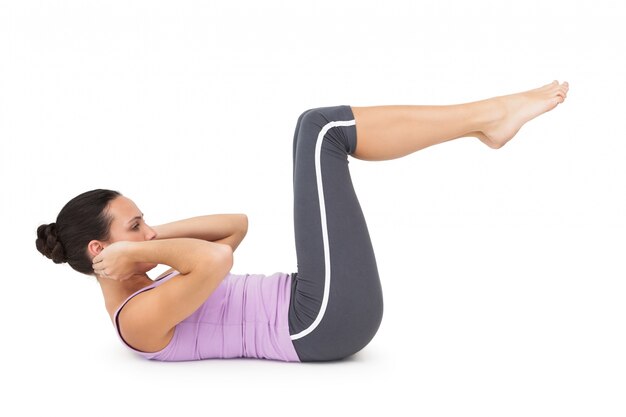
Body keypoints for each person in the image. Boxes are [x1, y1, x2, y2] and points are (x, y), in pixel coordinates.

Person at [35, 80, 570, 362]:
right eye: (135, 226)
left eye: (144, 220)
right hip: (318, 324)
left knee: (315, 132)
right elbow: (218, 258)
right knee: (319, 131)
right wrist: (136, 253)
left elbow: (235, 226)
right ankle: (488, 117)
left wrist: (144, 240)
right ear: (99, 252)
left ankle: (487, 119)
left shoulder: (151, 280)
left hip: (316, 306)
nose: (149, 232)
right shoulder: (135, 321)